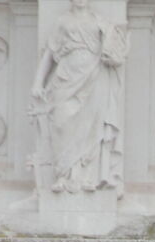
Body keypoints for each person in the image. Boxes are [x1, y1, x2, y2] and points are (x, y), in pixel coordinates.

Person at [34, 0, 126, 193]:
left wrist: (114, 54)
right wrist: (38, 82)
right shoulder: (62, 21)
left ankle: (85, 176)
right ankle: (62, 175)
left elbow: (115, 51)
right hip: (66, 77)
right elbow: (49, 54)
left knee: (91, 127)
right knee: (61, 122)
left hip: (95, 76)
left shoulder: (100, 22)